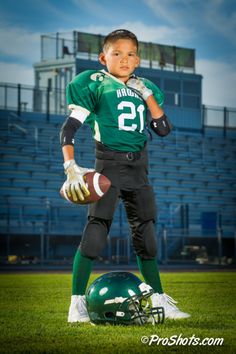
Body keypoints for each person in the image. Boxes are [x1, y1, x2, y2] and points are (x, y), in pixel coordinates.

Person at [60, 29, 190, 323]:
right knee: (96, 232)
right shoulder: (93, 83)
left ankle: (159, 299)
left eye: (131, 53)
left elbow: (163, 128)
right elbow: (70, 127)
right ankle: (76, 304)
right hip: (109, 164)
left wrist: (144, 93)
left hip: (139, 168)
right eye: (116, 53)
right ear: (103, 57)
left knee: (147, 236)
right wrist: (70, 164)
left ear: (138, 59)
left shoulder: (147, 88)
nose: (124, 59)